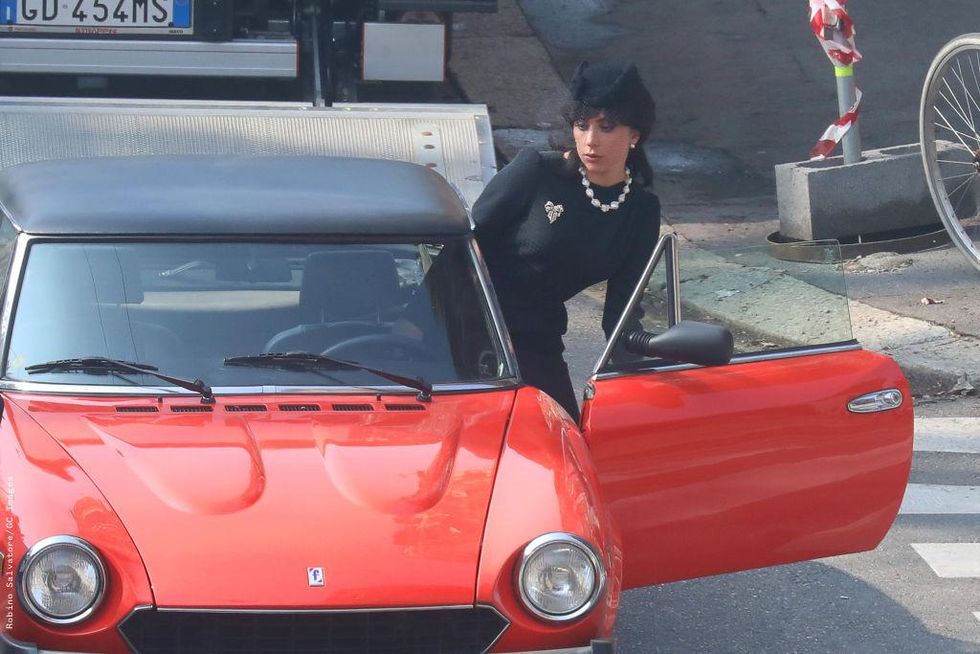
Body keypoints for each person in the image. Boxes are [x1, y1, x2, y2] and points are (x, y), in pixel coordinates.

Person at [471, 61, 661, 422]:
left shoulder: (641, 210)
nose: (591, 140)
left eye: (606, 127)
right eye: (582, 125)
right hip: (472, 330)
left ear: (634, 134)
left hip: (538, 343)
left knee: (566, 439)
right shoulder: (536, 171)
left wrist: (654, 371)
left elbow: (622, 314)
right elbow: (463, 245)